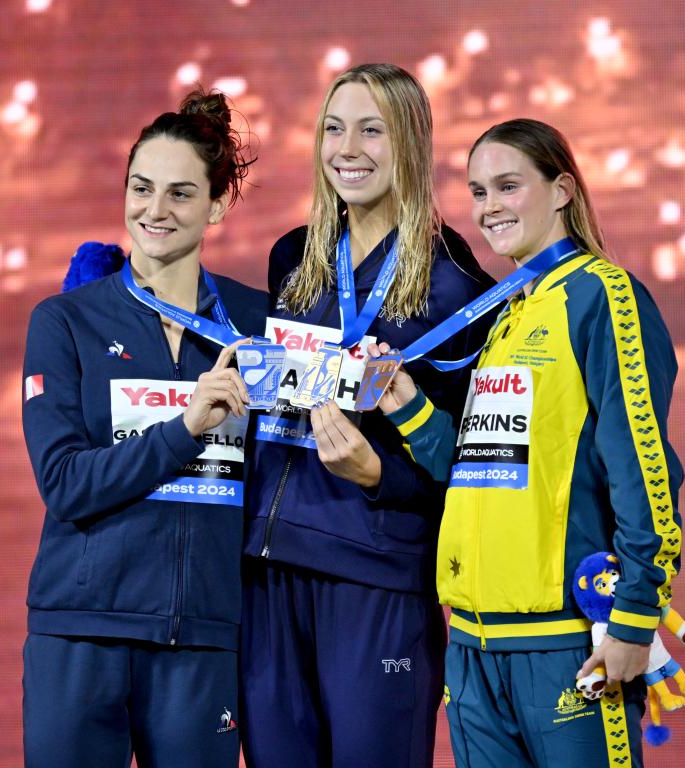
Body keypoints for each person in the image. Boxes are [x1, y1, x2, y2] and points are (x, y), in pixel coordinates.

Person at [377, 118, 684, 768]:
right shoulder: (509, 315)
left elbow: (644, 467)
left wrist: (633, 615)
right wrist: (403, 402)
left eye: (508, 186)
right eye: (479, 192)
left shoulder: (602, 295)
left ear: (563, 188)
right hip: (474, 649)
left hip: (565, 643)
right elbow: (476, 469)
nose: (489, 208)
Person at [239, 63, 496, 767]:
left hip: (376, 579)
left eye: (371, 129)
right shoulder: (294, 259)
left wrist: (379, 474)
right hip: (270, 574)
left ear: (410, 142)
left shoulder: (455, 287)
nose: (347, 147)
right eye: (333, 128)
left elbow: (469, 472)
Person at [20, 90, 267, 768]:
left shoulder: (258, 326)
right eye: (141, 188)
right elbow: (65, 482)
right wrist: (184, 428)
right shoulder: (65, 321)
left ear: (217, 206)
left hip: (202, 643)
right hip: (80, 633)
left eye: (181, 194)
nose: (154, 211)